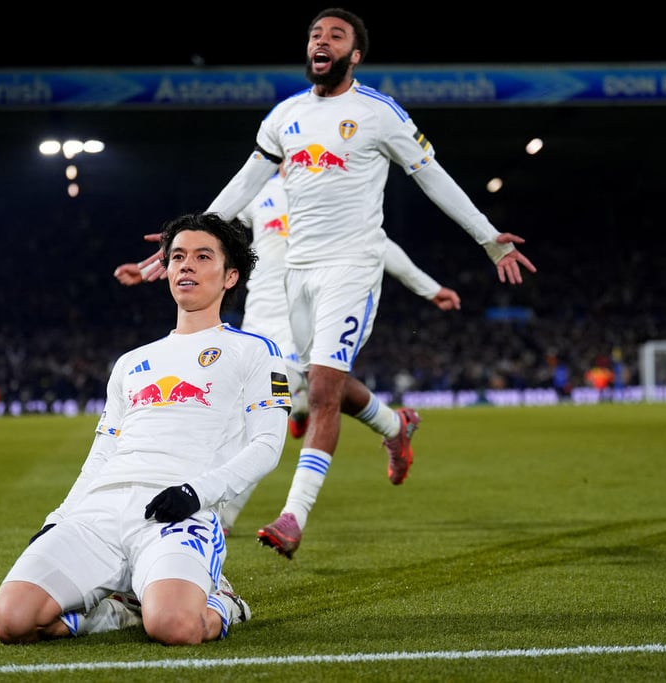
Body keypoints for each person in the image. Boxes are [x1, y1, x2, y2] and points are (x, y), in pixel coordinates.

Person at [191, 8, 538, 560]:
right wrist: (187, 239)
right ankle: (396, 426)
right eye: (314, 35)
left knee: (322, 392)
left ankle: (291, 517)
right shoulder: (285, 117)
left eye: (335, 36)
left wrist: (487, 236)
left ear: (354, 55)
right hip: (296, 277)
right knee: (324, 384)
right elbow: (244, 182)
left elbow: (433, 177)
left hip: (351, 268)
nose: (320, 42)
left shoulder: (379, 114)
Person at [0, 212, 289, 645]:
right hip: (100, 513)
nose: (186, 265)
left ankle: (223, 600)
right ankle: (118, 613)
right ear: (166, 270)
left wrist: (195, 494)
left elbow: (267, 445)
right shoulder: (131, 362)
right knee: (12, 620)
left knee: (175, 627)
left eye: (202, 257)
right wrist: (59, 518)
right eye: (178, 257)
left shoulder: (254, 351)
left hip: (179, 513)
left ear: (230, 277)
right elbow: (103, 452)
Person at [113, 164, 462, 535]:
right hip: (258, 316)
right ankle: (394, 424)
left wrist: (427, 287)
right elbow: (209, 231)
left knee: (258, 411)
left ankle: (223, 517)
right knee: (317, 388)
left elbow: (378, 244)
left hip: (304, 314)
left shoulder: (329, 194)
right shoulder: (260, 191)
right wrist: (153, 264)